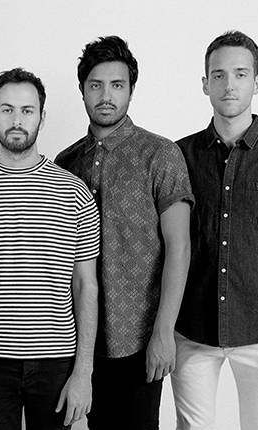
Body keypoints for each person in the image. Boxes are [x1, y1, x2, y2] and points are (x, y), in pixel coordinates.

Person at [0, 67, 100, 430]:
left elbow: (86, 285)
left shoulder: (74, 192)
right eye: (7, 109)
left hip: (56, 361)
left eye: (27, 110)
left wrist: (83, 372)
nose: (17, 120)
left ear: (42, 116)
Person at [171, 30, 258, 430]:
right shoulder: (178, 156)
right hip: (192, 330)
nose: (229, 85)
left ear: (257, 82)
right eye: (219, 75)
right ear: (205, 84)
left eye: (240, 74)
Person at [55, 35, 194, 429]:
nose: (106, 96)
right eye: (96, 85)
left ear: (131, 89)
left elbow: (179, 248)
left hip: (139, 337)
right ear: (82, 89)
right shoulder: (66, 163)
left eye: (117, 85)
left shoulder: (160, 154)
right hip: (74, 339)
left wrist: (164, 332)